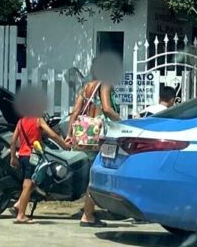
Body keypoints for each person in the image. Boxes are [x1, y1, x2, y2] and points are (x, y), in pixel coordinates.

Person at [68, 63, 121, 228]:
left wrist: (70, 134)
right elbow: (106, 108)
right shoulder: (104, 84)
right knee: (97, 175)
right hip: (100, 137)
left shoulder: (85, 88)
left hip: (84, 137)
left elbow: (75, 112)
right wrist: (123, 122)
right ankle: (88, 214)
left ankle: (88, 211)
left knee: (92, 174)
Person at [9, 115, 70, 223]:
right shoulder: (38, 119)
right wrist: (64, 145)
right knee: (28, 185)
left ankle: (19, 204)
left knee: (34, 182)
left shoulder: (21, 121)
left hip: (22, 156)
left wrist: (13, 157)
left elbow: (13, 141)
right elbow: (52, 134)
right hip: (33, 156)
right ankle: (21, 215)